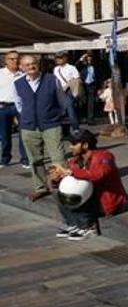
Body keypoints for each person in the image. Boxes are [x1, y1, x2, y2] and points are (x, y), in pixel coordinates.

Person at [50, 129, 128, 241]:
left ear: (85, 145)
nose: (70, 147)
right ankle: (74, 224)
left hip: (106, 201)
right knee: (58, 192)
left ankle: (89, 226)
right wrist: (56, 179)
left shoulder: (105, 156)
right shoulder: (75, 160)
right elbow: (69, 181)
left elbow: (98, 175)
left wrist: (69, 172)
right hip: (92, 198)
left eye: (73, 144)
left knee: (78, 191)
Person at [15, 54, 67, 202]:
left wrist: (54, 116)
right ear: (22, 67)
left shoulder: (51, 80)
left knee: (58, 158)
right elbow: (19, 105)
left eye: (33, 63)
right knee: (35, 160)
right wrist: (28, 117)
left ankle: (63, 186)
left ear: (38, 64)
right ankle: (41, 187)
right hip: (29, 127)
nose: (31, 66)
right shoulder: (18, 83)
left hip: (51, 125)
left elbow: (62, 101)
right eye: (27, 64)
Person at [0, 51, 29, 169]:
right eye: (11, 59)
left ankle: (25, 159)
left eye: (17, 58)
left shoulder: (23, 74)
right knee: (5, 135)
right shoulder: (0, 73)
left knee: (24, 134)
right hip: (4, 107)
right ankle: (5, 159)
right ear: (6, 60)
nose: (15, 61)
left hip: (20, 107)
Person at [53, 52, 81, 133]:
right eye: (57, 58)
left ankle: (76, 128)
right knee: (62, 111)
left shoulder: (71, 68)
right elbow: (55, 80)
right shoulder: (56, 69)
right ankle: (65, 131)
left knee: (70, 110)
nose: (58, 59)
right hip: (59, 91)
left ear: (65, 58)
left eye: (60, 58)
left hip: (69, 91)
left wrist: (67, 85)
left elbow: (77, 79)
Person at [78, 53, 98, 125]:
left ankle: (90, 119)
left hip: (92, 85)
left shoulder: (95, 67)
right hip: (84, 85)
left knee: (91, 103)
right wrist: (83, 57)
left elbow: (98, 76)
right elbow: (77, 64)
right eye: (88, 60)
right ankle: (83, 117)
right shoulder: (82, 67)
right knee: (83, 102)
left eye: (90, 60)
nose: (89, 61)